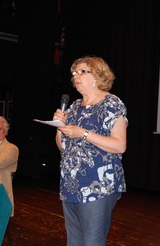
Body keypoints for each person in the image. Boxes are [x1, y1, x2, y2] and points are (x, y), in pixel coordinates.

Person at [52, 55, 128, 246]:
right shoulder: (75, 106)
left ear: (97, 75)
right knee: (74, 242)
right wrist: (59, 126)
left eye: (82, 72)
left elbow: (120, 145)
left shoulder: (111, 103)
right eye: (74, 73)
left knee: (92, 242)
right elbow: (63, 146)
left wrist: (83, 133)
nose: (75, 76)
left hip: (97, 185)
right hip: (71, 185)